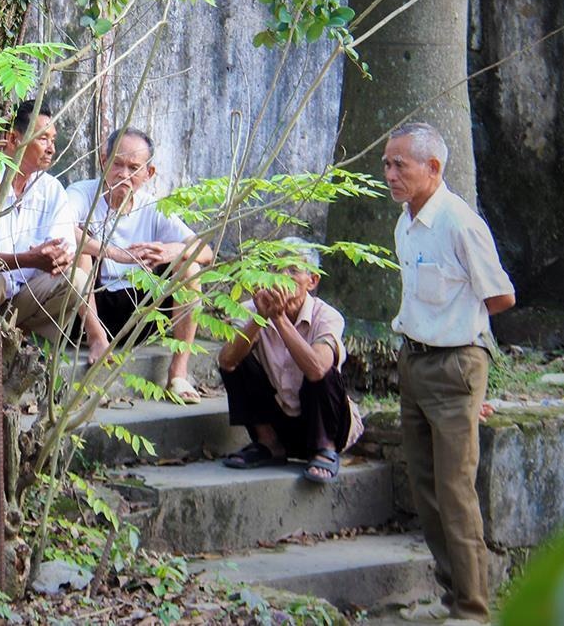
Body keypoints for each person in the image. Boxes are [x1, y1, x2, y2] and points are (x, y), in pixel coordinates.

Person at [384, 122, 515, 624]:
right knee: (426, 488)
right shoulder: (405, 221)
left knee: (456, 492)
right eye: (388, 164)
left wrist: (465, 350)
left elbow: (501, 295)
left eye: (401, 165)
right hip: (414, 360)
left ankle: (473, 609)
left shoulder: (460, 223)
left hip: (455, 362)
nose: (390, 174)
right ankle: (450, 595)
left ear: (433, 169)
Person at [0, 100, 109, 370]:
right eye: (43, 138)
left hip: (21, 298)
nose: (52, 148)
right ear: (13, 139)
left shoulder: (51, 189)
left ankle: (19, 339)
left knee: (76, 278)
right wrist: (28, 259)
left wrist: (55, 257)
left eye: (53, 139)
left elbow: (63, 248)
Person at [65, 128, 214, 400]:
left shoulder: (153, 207)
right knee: (80, 250)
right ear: (103, 161)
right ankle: (97, 338)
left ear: (149, 173)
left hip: (140, 312)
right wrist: (115, 253)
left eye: (134, 167)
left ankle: (178, 374)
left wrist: (174, 249)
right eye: (117, 164)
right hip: (91, 309)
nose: (123, 174)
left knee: (190, 266)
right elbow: (62, 230)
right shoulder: (82, 194)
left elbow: (206, 252)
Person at [215, 238, 363, 483]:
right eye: (276, 270)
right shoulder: (252, 308)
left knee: (323, 366)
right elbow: (227, 361)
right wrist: (260, 319)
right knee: (236, 357)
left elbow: (317, 370)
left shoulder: (327, 316)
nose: (282, 277)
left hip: (327, 424)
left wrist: (280, 319)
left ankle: (324, 448)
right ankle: (268, 443)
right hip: (281, 419)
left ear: (312, 280)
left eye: (293, 270)